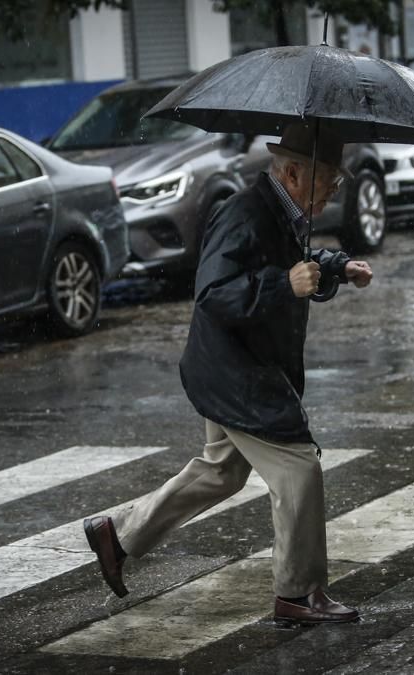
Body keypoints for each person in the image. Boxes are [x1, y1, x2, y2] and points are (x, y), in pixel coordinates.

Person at [84, 122, 373, 626]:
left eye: (337, 182)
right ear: (292, 173)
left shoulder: (285, 212)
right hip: (236, 372)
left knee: (222, 470)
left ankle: (119, 533)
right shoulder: (243, 213)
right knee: (299, 466)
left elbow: (294, 268)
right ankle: (298, 594)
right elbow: (215, 293)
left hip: (234, 366)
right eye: (329, 180)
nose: (333, 191)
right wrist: (285, 284)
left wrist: (335, 267)